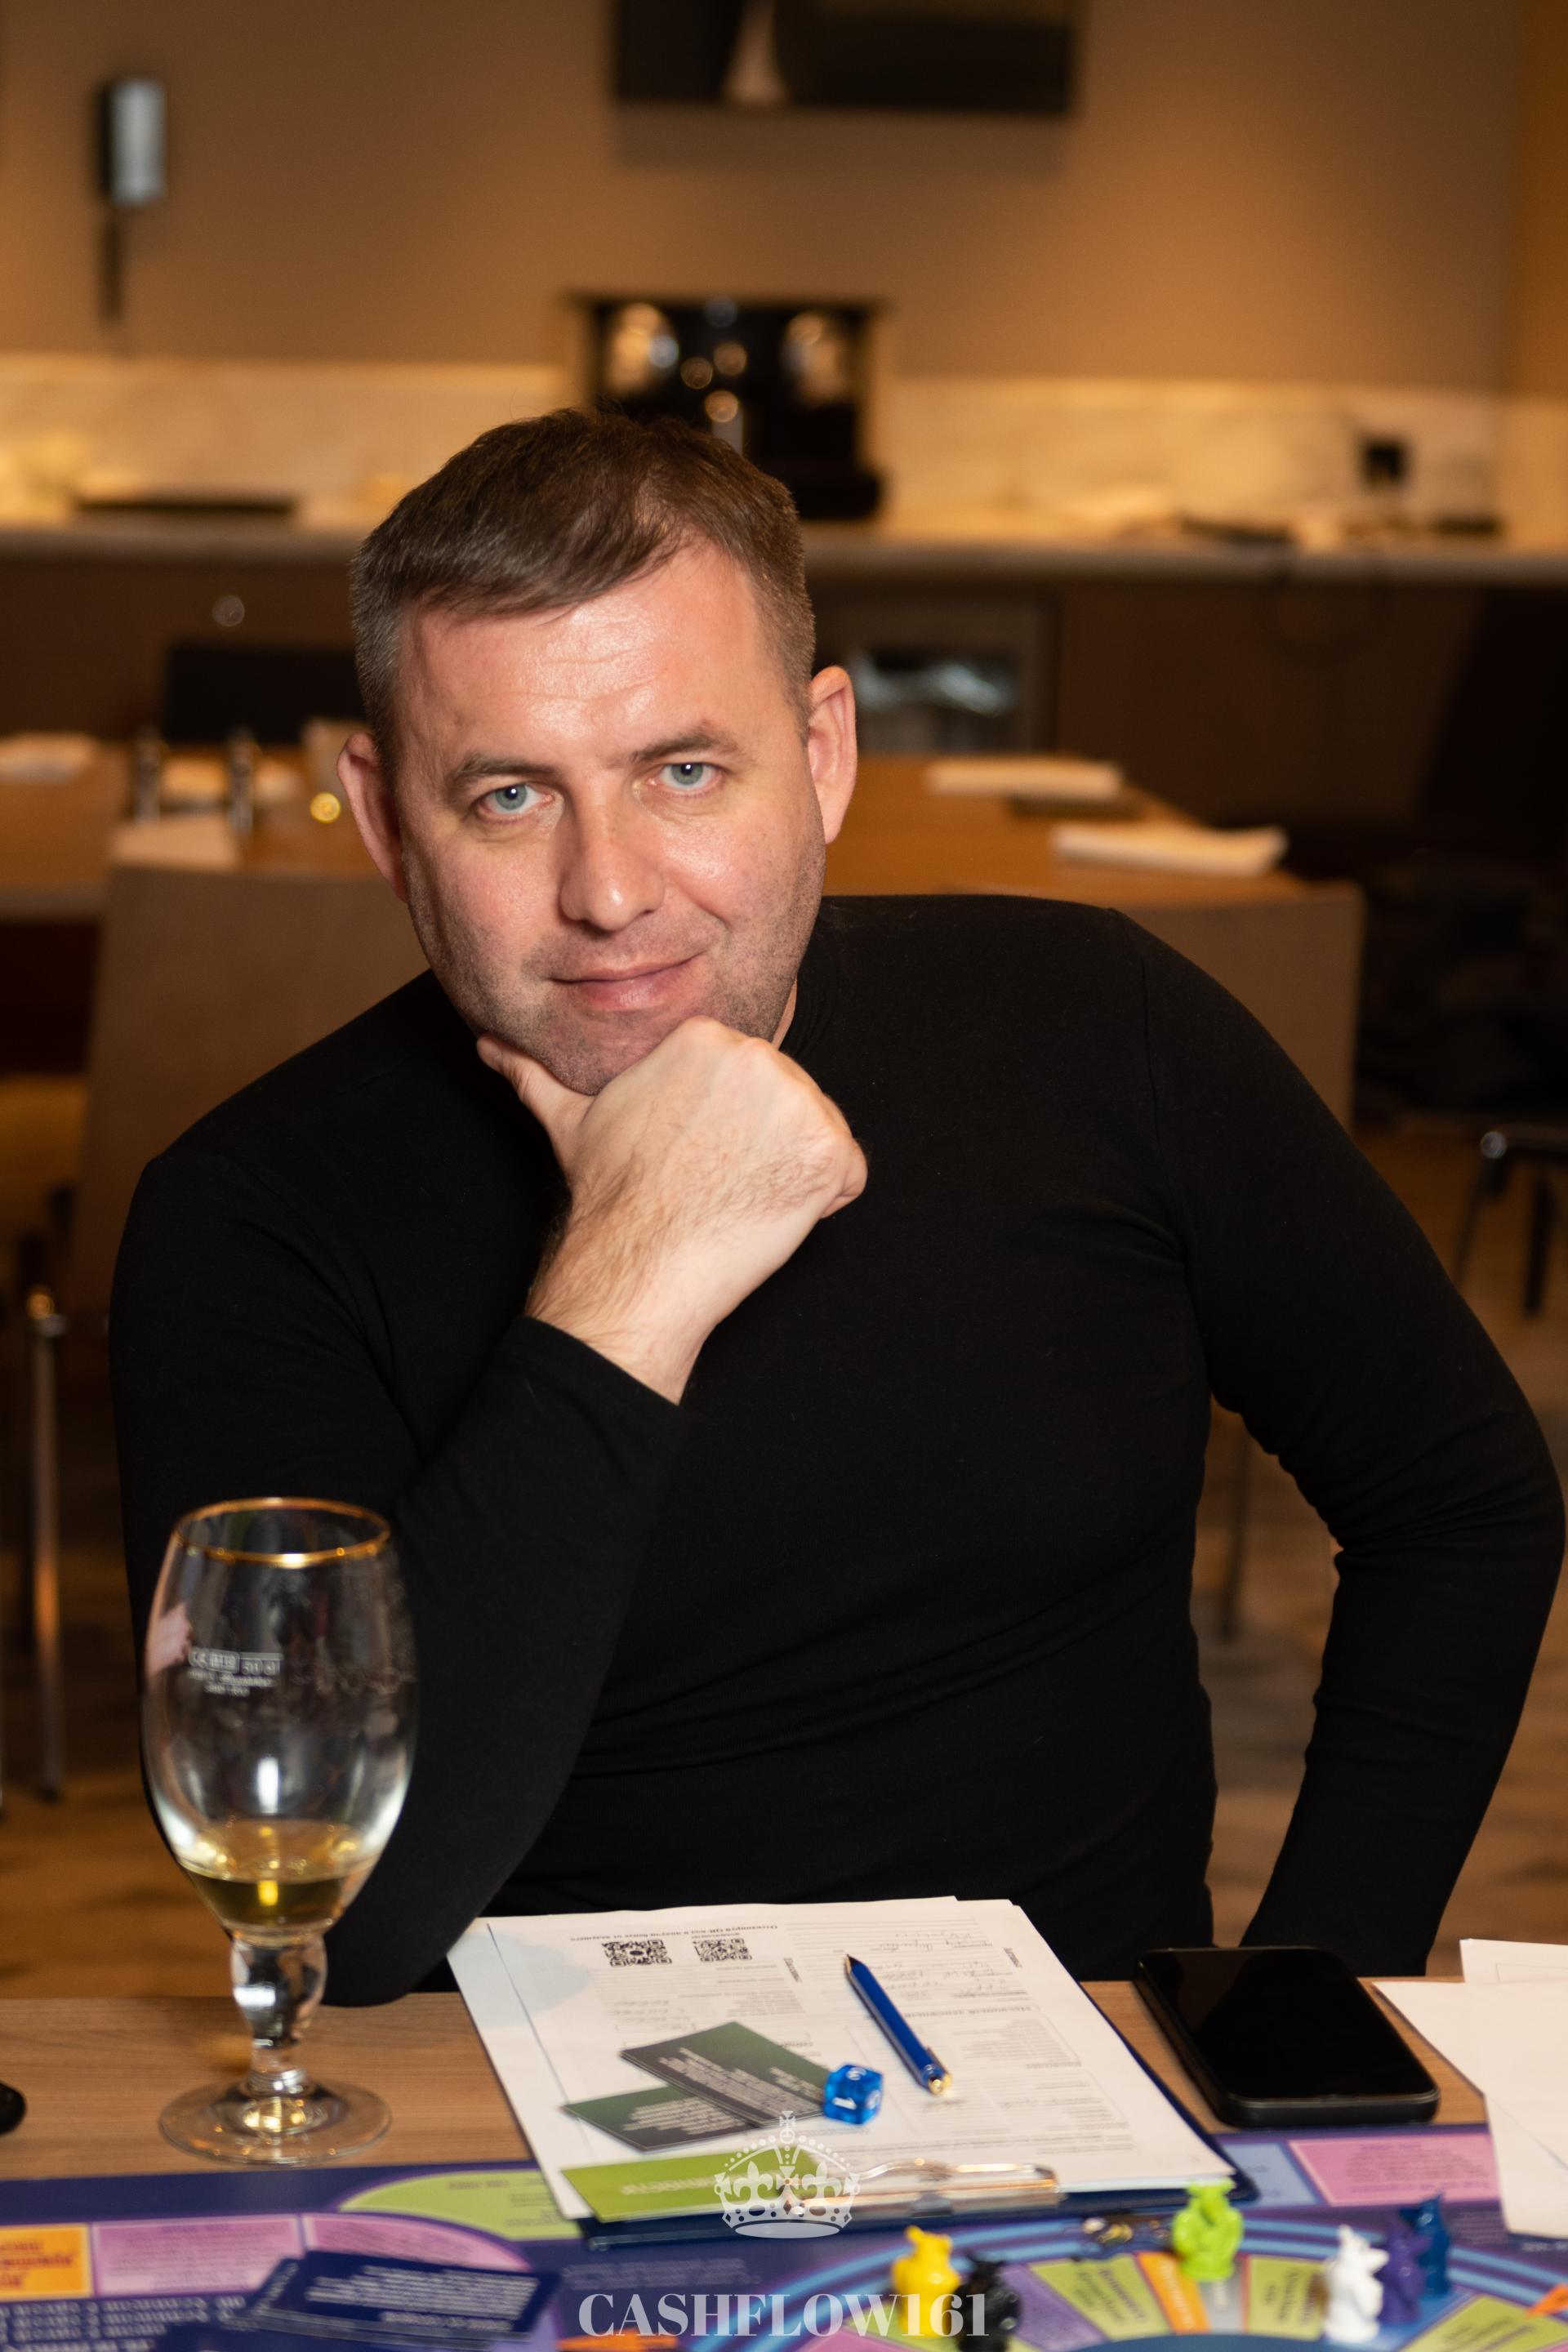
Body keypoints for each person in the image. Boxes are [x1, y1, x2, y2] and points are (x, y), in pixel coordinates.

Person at [112, 410, 1564, 2005]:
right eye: (511, 796)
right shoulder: (247, 1221)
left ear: (822, 756)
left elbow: (1462, 1500)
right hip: (514, 2094)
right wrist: (627, 1280)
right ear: (391, 820)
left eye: (683, 771)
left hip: (1088, 2064)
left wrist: (1305, 1993)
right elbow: (346, 1917)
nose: (610, 891)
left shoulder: (1095, 1026)